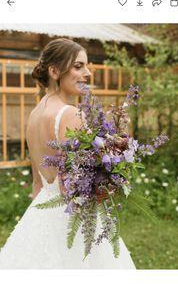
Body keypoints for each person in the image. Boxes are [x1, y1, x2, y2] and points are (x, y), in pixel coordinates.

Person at [0, 38, 136, 269]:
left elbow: (37, 185)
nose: (88, 73)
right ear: (54, 71)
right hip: (73, 217)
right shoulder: (71, 114)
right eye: (78, 66)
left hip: (42, 213)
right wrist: (115, 164)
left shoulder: (33, 115)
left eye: (87, 65)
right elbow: (79, 181)